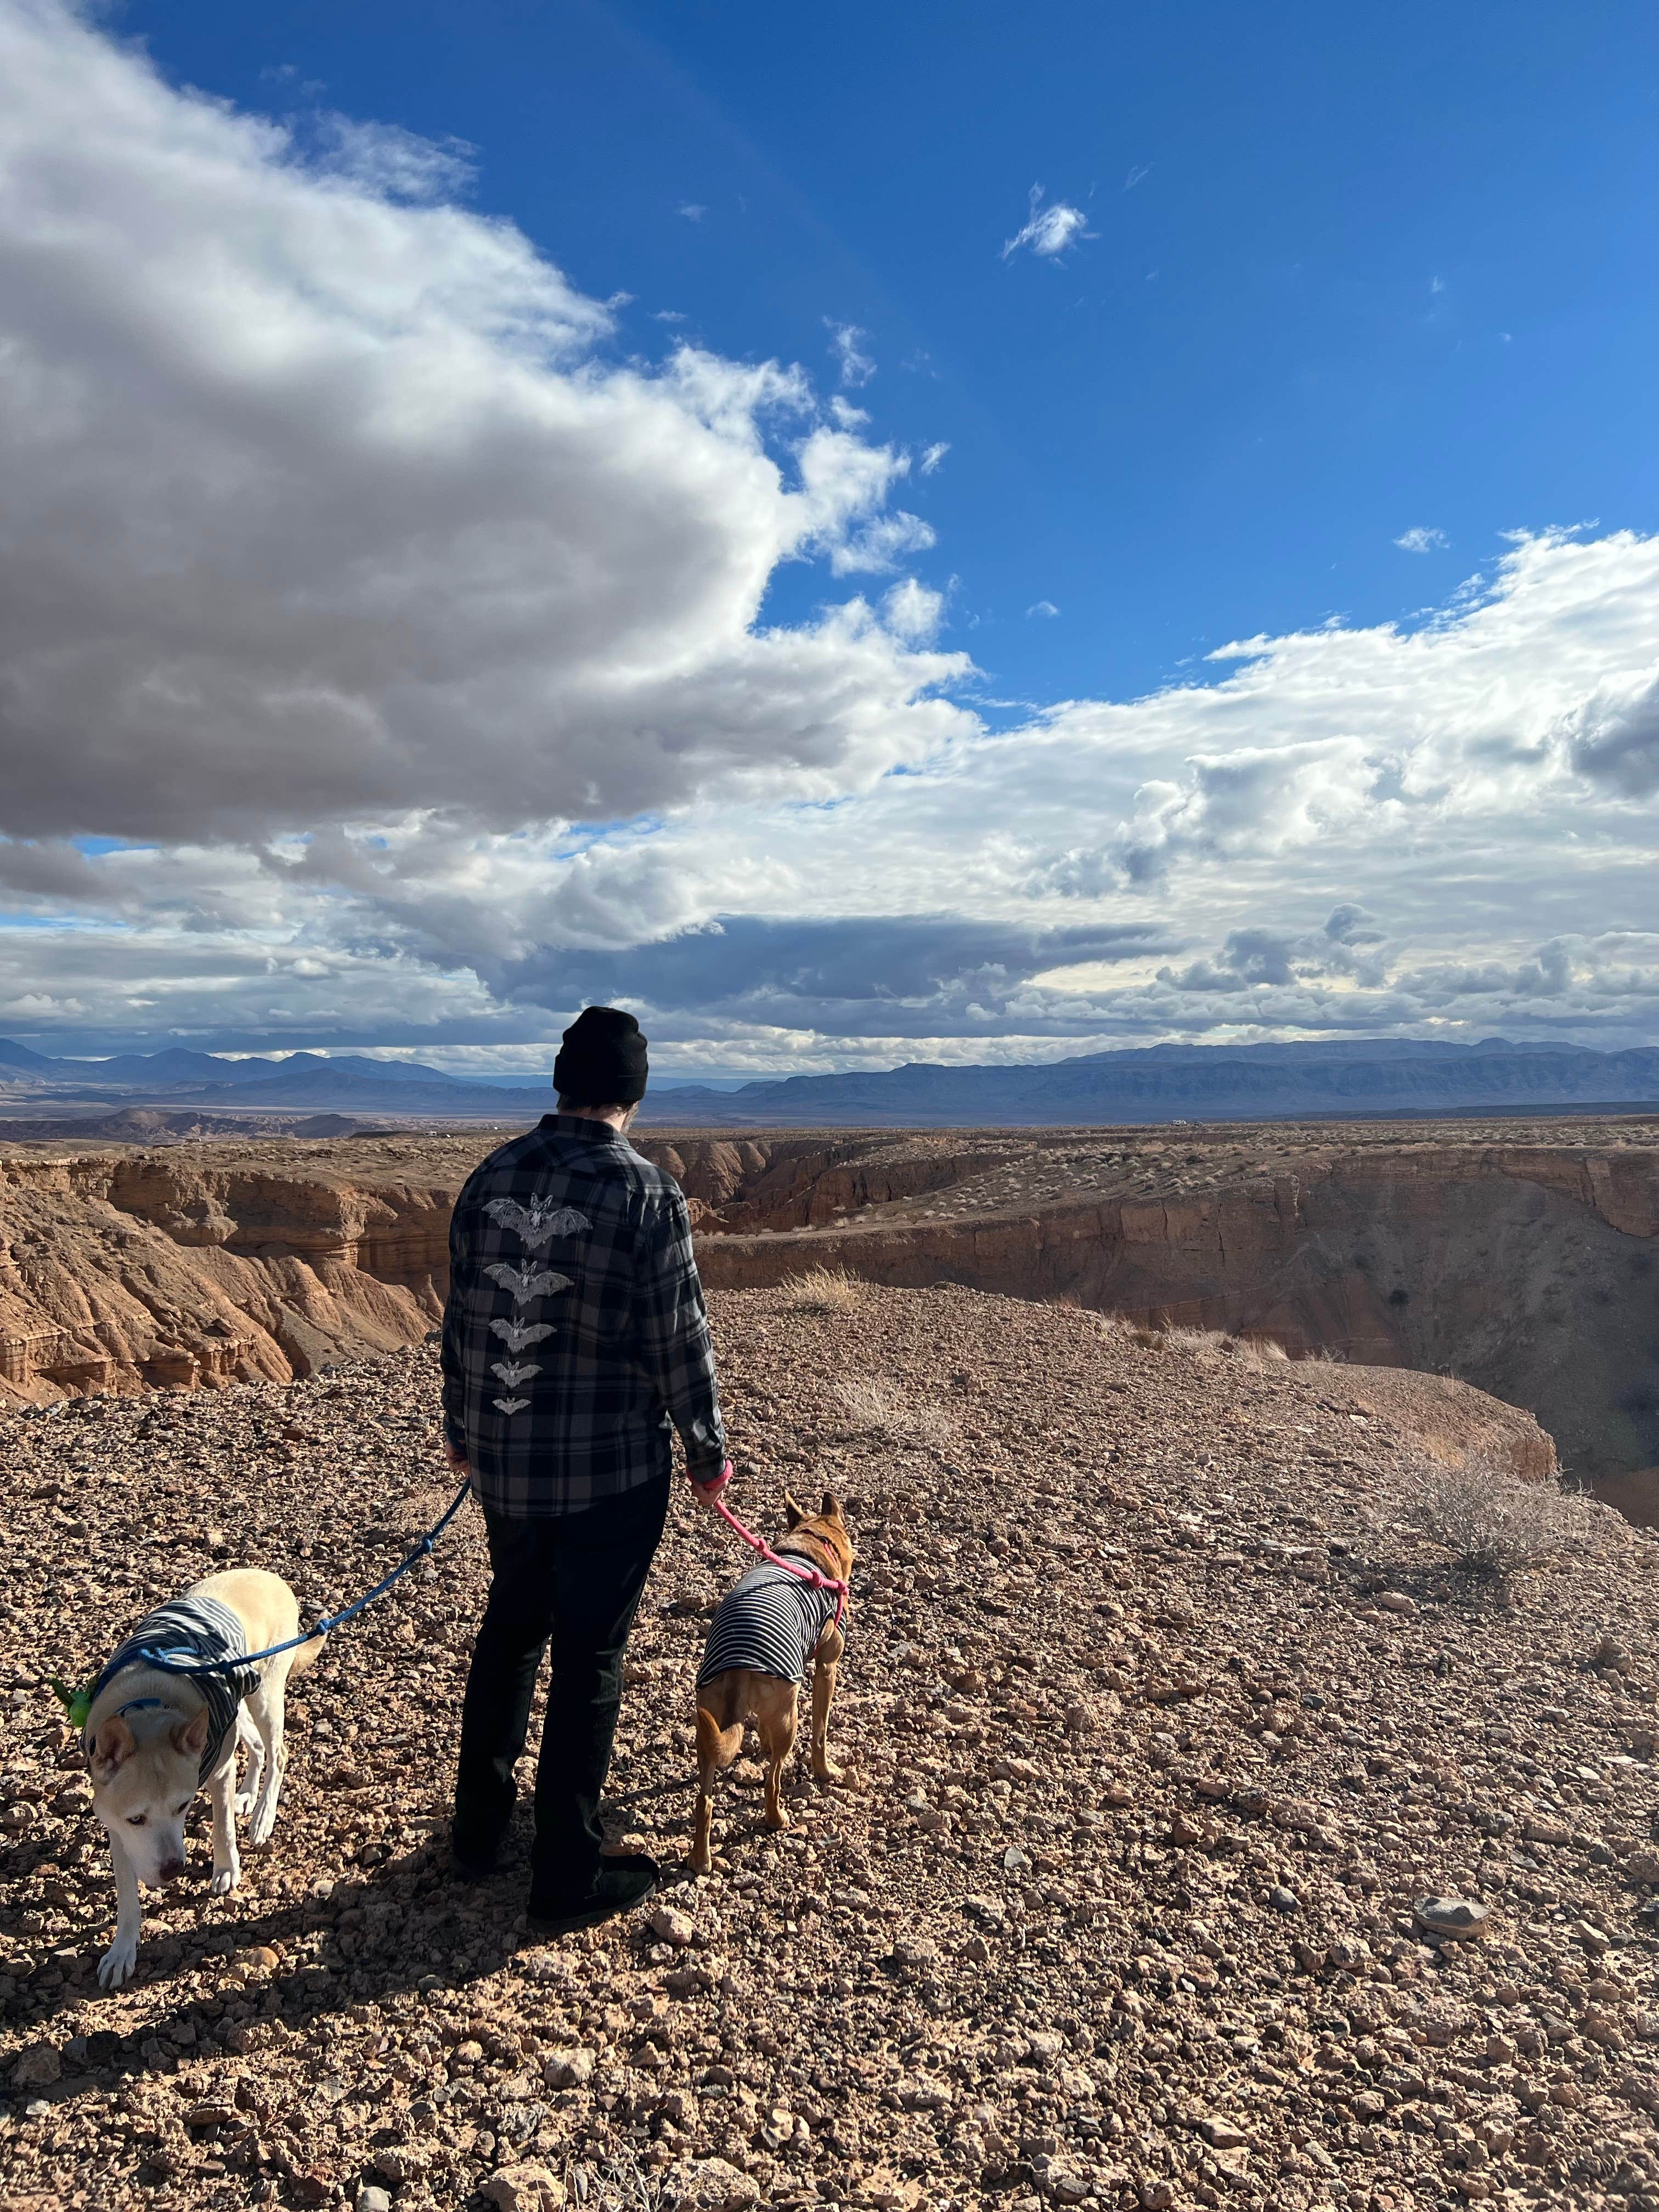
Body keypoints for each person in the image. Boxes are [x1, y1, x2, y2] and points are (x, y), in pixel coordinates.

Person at [440, 1005, 730, 1933]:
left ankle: (478, 1836)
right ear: (633, 1095)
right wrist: (707, 1451)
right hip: (609, 1472)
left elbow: (462, 1318)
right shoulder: (647, 1194)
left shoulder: (489, 1176)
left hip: (505, 1464)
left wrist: (461, 1427)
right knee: (590, 1655)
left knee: (511, 1630)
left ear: (561, 1083)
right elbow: (678, 1338)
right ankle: (565, 1872)